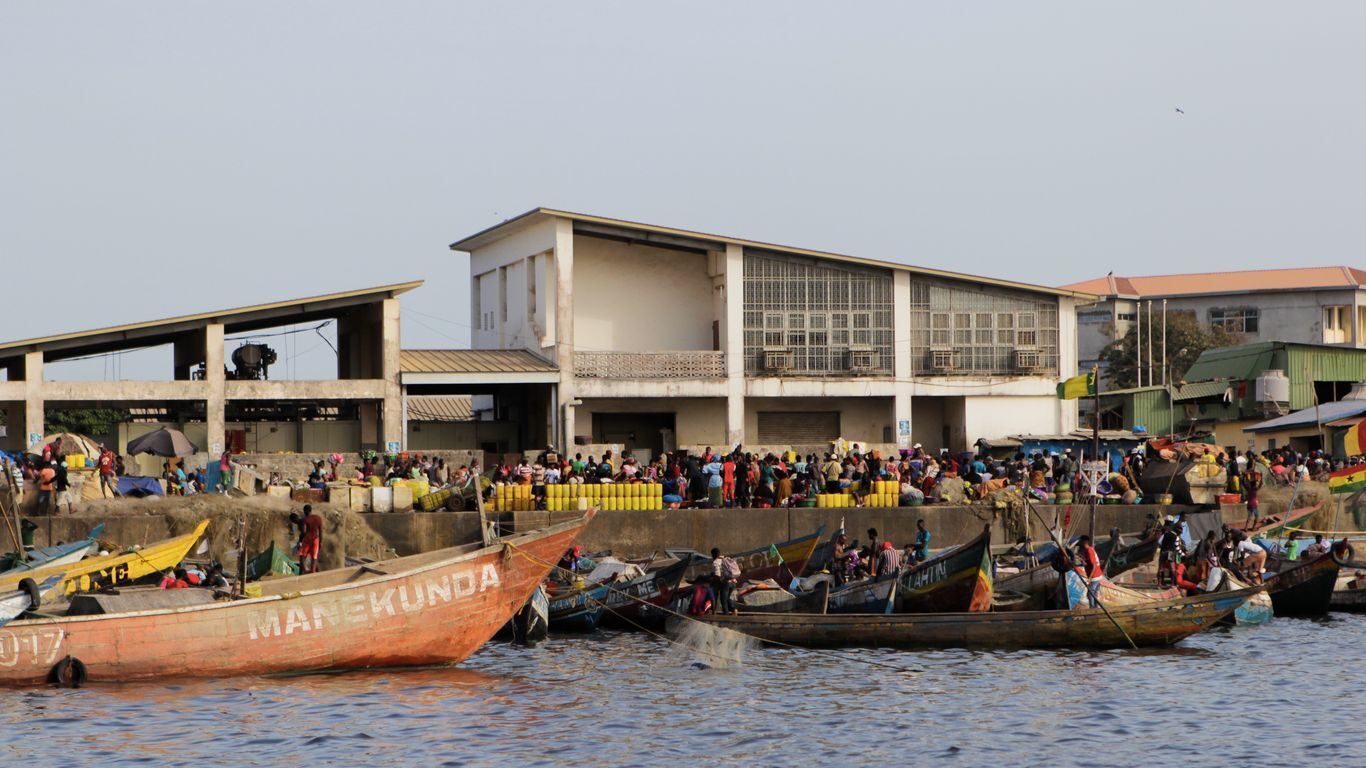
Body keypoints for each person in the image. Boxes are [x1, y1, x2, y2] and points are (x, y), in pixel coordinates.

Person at [711, 547, 740, 615]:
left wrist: (714, 580)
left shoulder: (716, 562)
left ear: (713, 555)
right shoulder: (725, 558)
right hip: (733, 582)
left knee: (723, 600)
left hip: (726, 583)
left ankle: (726, 615)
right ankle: (734, 610)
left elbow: (717, 575)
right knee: (727, 598)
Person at [298, 504, 323, 574]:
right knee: (314, 557)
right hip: (316, 539)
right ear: (311, 510)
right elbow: (320, 531)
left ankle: (304, 571)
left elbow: (303, 532)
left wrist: (300, 540)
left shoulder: (306, 519)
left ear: (305, 511)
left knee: (302, 556)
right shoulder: (318, 518)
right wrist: (320, 542)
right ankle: (313, 571)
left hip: (307, 539)